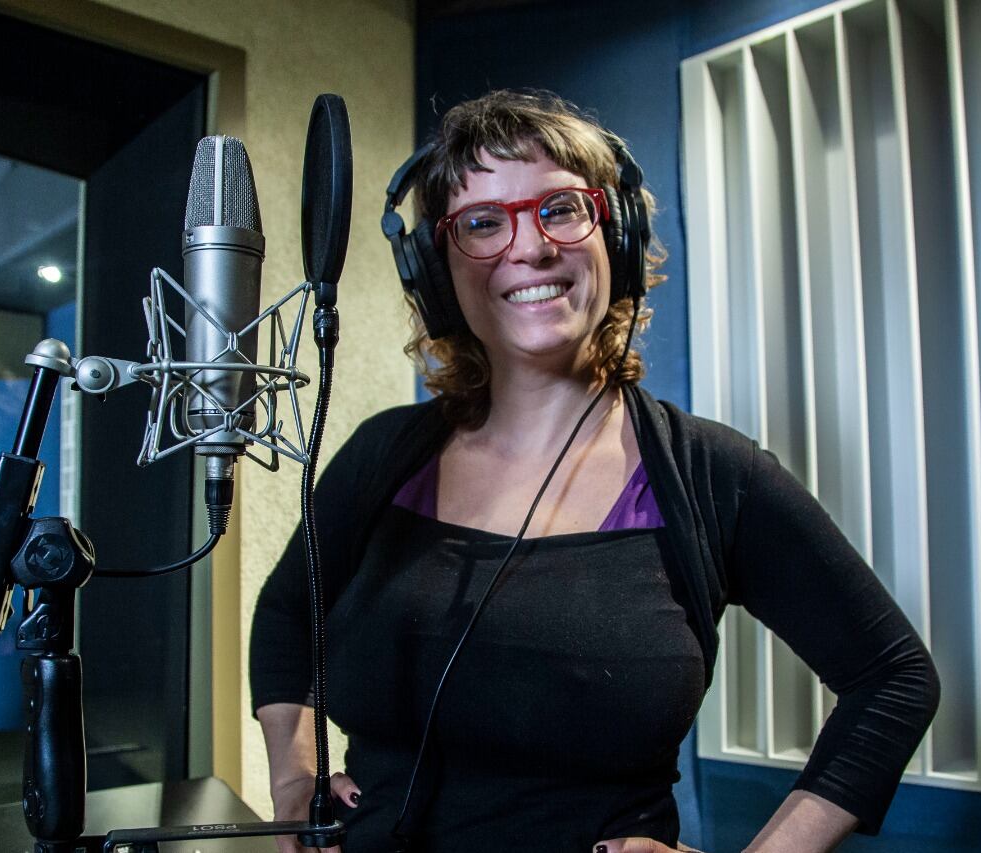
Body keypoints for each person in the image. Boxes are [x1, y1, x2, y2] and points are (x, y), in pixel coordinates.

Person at [249, 89, 940, 853]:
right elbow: (287, 613)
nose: (531, 247)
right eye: (482, 223)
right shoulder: (383, 457)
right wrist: (292, 775)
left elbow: (894, 678)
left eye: (561, 209)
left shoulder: (710, 474)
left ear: (616, 233)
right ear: (436, 273)